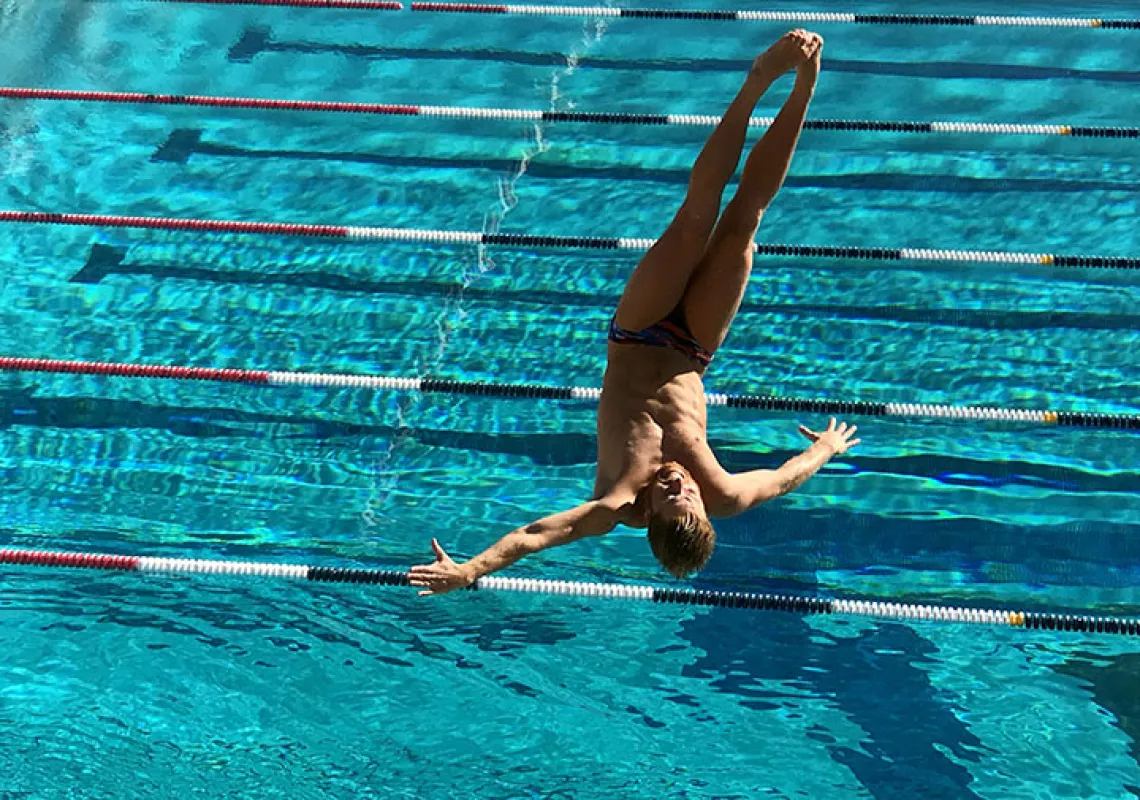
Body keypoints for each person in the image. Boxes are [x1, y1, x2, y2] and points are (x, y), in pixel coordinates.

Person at [410, 29, 860, 596]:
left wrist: (470, 569)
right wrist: (825, 448)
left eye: (671, 501)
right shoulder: (720, 494)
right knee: (745, 219)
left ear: (651, 519)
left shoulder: (617, 499)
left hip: (639, 331)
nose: (681, 488)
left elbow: (534, 534)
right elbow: (778, 480)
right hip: (694, 346)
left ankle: (755, 81)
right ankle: (799, 83)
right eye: (688, 499)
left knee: (698, 217)